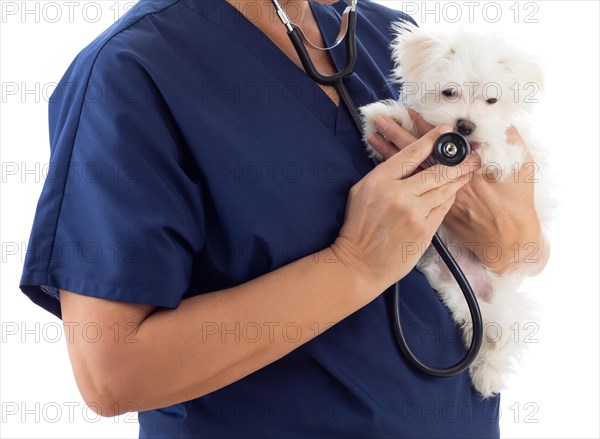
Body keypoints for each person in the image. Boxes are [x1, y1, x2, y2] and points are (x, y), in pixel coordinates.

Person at [19, 0, 546, 437]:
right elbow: (112, 375)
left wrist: (510, 239)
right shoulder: (132, 72)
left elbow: (527, 250)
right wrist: (356, 263)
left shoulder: (383, 38)